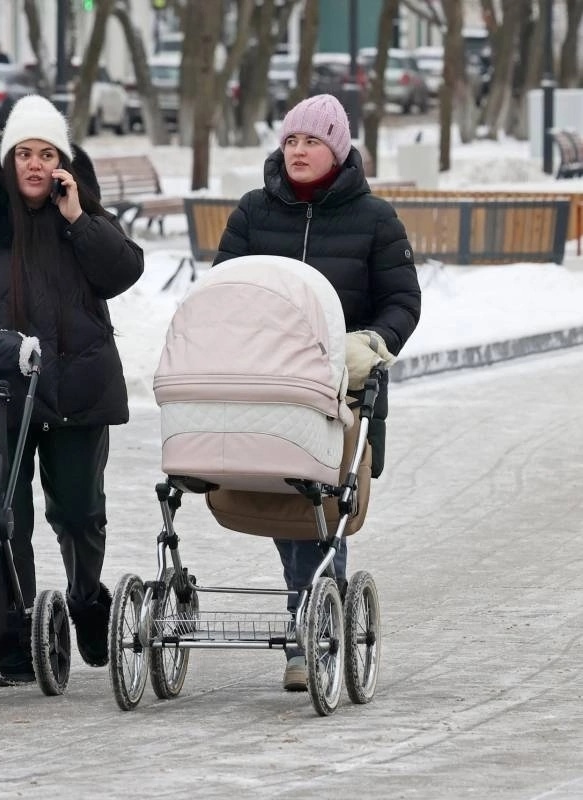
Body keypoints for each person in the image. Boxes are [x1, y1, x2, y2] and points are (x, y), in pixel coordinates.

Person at [212, 93, 421, 692]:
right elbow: (227, 287)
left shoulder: (375, 218)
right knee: (284, 501)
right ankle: (310, 611)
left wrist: (372, 343)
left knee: (322, 505)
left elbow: (403, 301)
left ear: (338, 148)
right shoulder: (254, 212)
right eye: (291, 141)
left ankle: (310, 627)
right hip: (269, 381)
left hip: (341, 388)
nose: (299, 151)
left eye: (313, 141)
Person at [0, 95, 144, 686]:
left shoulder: (81, 218)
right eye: (23, 153)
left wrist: (79, 218)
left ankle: (84, 600)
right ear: (6, 162)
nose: (33, 164)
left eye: (45, 153)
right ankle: (19, 639)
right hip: (0, 397)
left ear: (62, 163)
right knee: (6, 520)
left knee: (79, 513)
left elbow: (124, 271)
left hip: (78, 391)